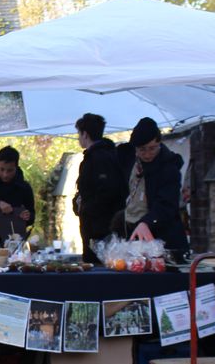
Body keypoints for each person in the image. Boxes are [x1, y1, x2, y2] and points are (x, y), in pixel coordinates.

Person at [116, 117, 190, 253]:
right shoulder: (130, 162)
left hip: (164, 239)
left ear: (159, 143)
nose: (148, 154)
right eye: (142, 150)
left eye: (152, 148)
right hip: (134, 234)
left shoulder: (169, 168)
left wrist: (148, 222)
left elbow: (166, 204)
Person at [73, 113, 127, 263]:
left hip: (100, 229)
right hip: (96, 226)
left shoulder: (99, 158)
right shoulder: (105, 155)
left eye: (79, 133)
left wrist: (85, 207)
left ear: (85, 134)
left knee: (99, 268)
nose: (78, 137)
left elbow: (107, 191)